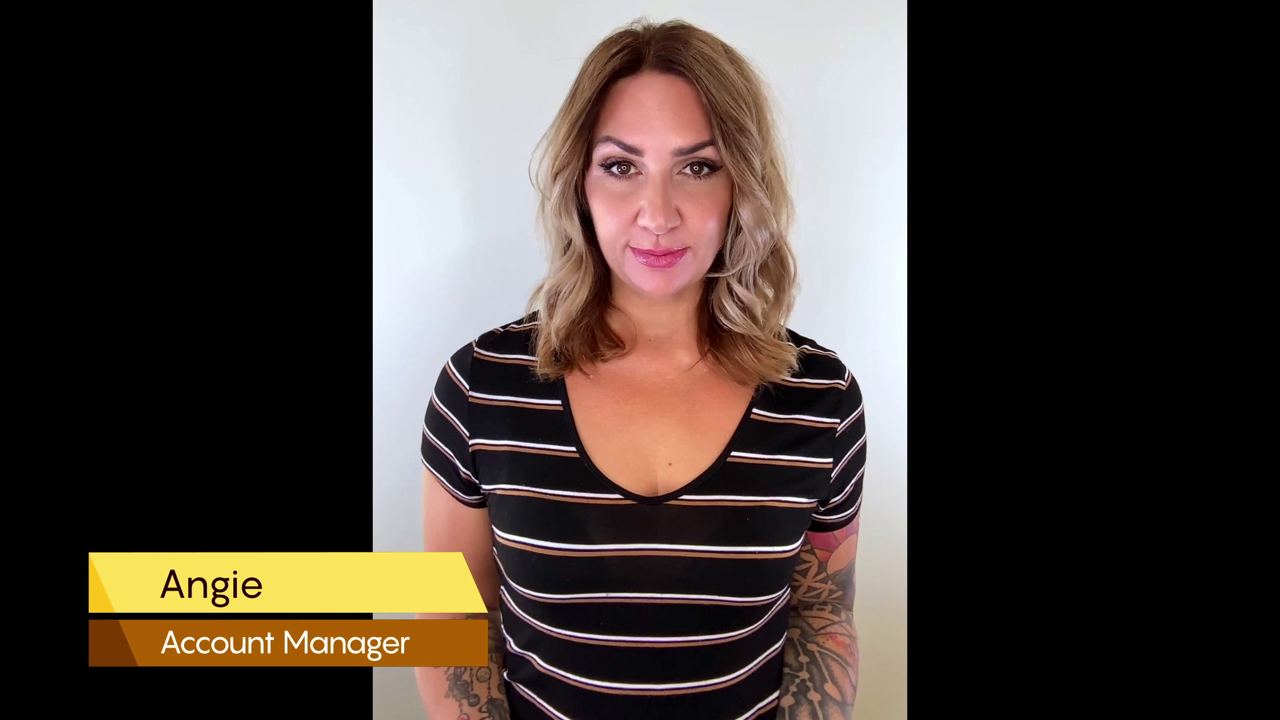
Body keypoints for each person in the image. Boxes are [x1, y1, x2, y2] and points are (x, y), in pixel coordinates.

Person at [415, 18, 865, 720]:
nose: (658, 215)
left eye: (698, 167)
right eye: (621, 167)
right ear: (580, 184)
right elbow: (452, 618)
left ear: (741, 186)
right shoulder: (480, 388)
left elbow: (822, 611)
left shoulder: (820, 398)